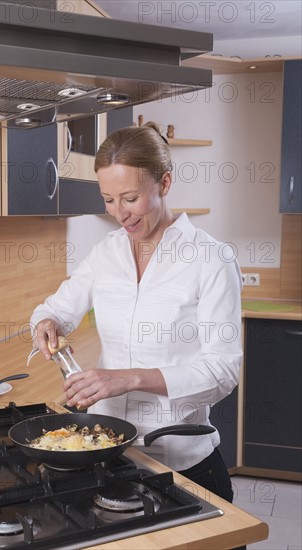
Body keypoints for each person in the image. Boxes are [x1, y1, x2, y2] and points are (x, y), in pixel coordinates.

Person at [31, 122, 243, 508]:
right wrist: (47, 324)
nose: (119, 214)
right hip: (109, 455)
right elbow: (55, 309)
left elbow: (222, 371)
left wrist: (127, 379)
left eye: (129, 198)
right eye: (108, 199)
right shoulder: (106, 252)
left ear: (164, 183)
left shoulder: (211, 260)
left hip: (183, 463)